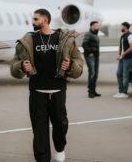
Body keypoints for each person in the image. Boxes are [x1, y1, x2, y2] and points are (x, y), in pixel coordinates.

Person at [11, 9, 83, 162]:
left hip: (58, 90)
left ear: (45, 19)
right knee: (39, 130)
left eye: (36, 19)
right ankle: (43, 159)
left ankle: (60, 147)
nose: (33, 22)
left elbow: (79, 66)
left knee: (61, 124)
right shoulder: (28, 40)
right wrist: (22, 67)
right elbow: (13, 67)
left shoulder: (64, 39)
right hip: (37, 91)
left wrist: (70, 66)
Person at [113, 22, 132, 99]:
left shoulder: (130, 35)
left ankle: (124, 93)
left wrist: (123, 54)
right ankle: (120, 91)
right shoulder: (123, 36)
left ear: (125, 27)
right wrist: (119, 54)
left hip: (128, 58)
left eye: (121, 26)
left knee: (125, 75)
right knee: (118, 73)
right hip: (122, 58)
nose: (120, 27)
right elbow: (120, 46)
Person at [82, 21, 101, 98]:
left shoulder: (95, 34)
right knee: (92, 73)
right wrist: (90, 52)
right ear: (91, 26)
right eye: (96, 25)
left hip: (96, 56)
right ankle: (90, 92)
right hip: (90, 56)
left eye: (98, 25)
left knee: (95, 74)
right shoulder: (88, 34)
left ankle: (93, 90)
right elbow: (84, 44)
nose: (97, 26)